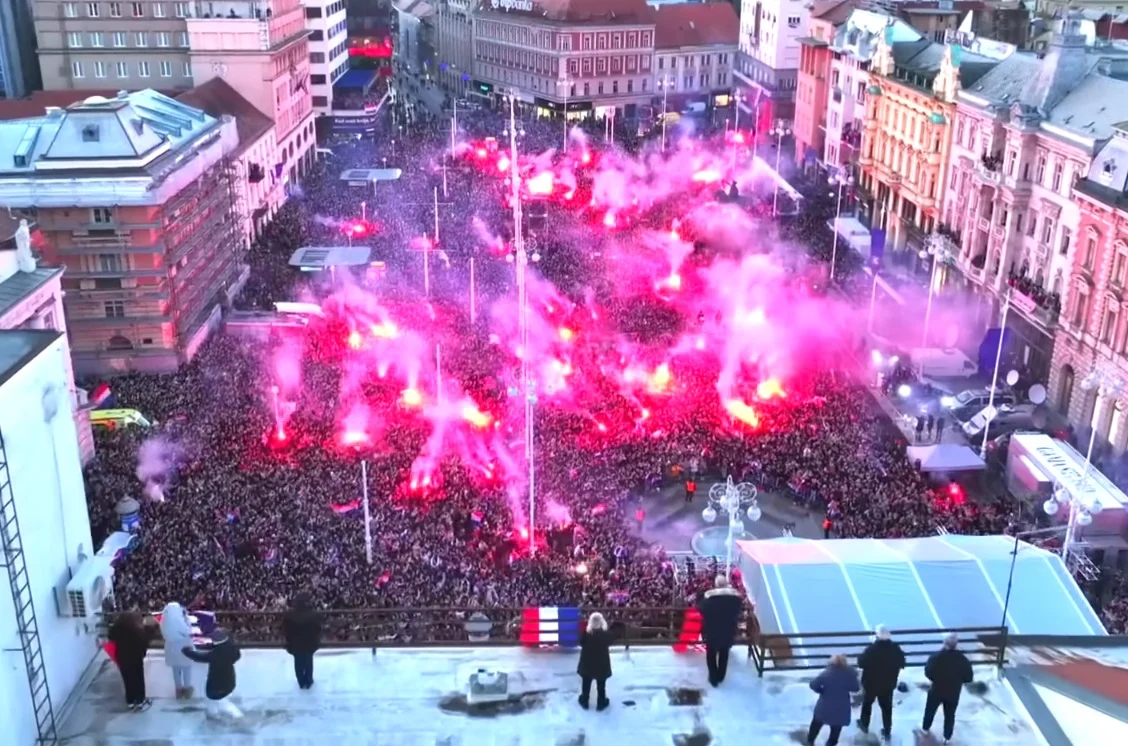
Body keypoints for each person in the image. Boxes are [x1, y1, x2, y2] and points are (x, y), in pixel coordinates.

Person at [857, 624, 906, 741]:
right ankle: (887, 730)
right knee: (886, 709)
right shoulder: (895, 649)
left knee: (867, 704)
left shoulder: (871, 650)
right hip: (888, 685)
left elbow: (861, 663)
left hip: (870, 684)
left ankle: (864, 725)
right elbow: (902, 663)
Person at [922, 633, 973, 744]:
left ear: (944, 643)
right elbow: (969, 677)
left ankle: (926, 729)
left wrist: (935, 679)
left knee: (930, 710)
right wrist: (958, 681)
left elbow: (928, 672)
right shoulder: (963, 660)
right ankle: (947, 737)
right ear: (956, 644)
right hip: (953, 692)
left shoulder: (936, 657)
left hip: (936, 690)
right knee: (950, 715)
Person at [183, 628, 243, 719]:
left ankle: (239, 718)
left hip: (217, 686)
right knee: (214, 701)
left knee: (221, 703)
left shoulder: (215, 654)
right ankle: (215, 715)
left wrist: (186, 651)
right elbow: (236, 655)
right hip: (229, 682)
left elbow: (198, 657)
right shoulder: (231, 649)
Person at [697, 575, 743, 686]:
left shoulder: (708, 600)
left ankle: (713, 679)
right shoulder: (735, 599)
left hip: (712, 631)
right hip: (727, 632)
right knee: (724, 655)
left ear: (716, 585)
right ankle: (721, 676)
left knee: (711, 655)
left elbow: (701, 609)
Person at [807, 654, 860, 745]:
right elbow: (856, 688)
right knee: (836, 729)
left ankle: (810, 741)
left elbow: (813, 684)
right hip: (841, 707)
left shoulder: (826, 673)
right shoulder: (850, 674)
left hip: (825, 705)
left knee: (816, 723)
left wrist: (821, 690)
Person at [108, 611, 153, 711]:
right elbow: (144, 642)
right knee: (138, 679)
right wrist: (143, 653)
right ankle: (140, 701)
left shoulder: (116, 629)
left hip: (122, 657)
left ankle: (130, 701)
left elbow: (110, 638)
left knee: (127, 679)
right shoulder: (137, 629)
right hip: (135, 656)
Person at [282, 591, 323, 689]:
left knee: (298, 661)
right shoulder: (314, 614)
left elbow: (286, 630)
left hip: (295, 642)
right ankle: (308, 681)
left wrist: (289, 641)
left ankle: (301, 681)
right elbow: (318, 629)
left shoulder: (289, 615)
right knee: (308, 660)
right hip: (309, 642)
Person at [159, 602, 196, 699]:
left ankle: (178, 690)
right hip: (184, 645)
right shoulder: (179, 620)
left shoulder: (164, 620)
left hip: (170, 647)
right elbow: (188, 630)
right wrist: (186, 617)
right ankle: (187, 689)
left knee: (176, 670)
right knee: (186, 669)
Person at [576, 611, 613, 711]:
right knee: (601, 685)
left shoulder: (586, 634)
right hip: (602, 664)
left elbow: (580, 642)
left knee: (586, 683)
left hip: (587, 664)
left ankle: (584, 701)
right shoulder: (606, 634)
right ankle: (601, 703)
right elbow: (611, 641)